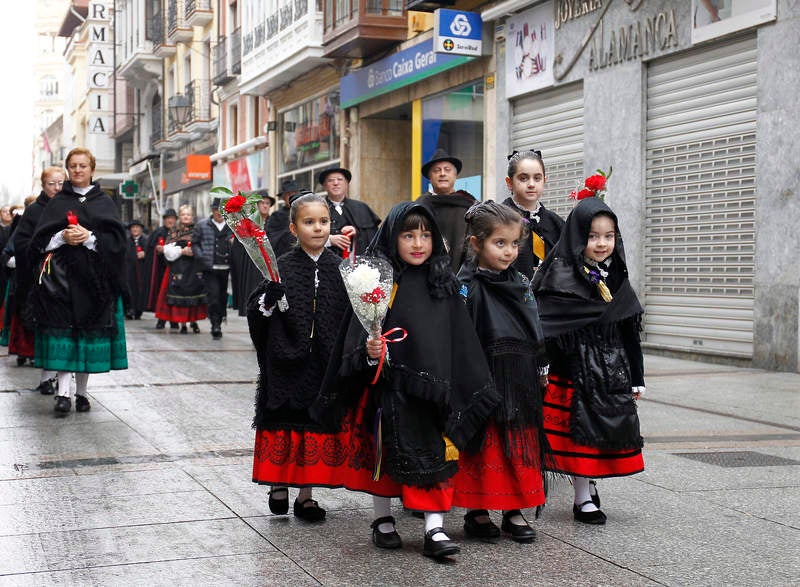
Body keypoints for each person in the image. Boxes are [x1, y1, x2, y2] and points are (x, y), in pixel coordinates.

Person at [315, 202, 498, 559]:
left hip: (435, 393)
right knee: (383, 457)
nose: (418, 243)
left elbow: (459, 341)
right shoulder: (379, 284)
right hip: (389, 390)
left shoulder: (443, 285)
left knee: (435, 455)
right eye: (409, 235)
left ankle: (435, 528)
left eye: (426, 235)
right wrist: (370, 350)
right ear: (392, 238)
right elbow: (355, 339)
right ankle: (382, 520)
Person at [531, 196, 645, 524]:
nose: (601, 243)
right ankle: (580, 497)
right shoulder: (559, 274)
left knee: (595, 438)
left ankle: (587, 494)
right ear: (578, 236)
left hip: (609, 372)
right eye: (593, 236)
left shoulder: (618, 276)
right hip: (569, 371)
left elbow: (628, 329)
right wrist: (543, 367)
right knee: (575, 438)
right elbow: (547, 327)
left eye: (608, 236)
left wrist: (636, 376)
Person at [248, 193, 351, 523]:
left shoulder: (340, 267)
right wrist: (268, 298)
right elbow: (257, 310)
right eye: (309, 222)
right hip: (285, 360)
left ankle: (306, 495)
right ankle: (278, 483)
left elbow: (347, 314)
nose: (318, 228)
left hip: (323, 363)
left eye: (323, 222)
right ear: (294, 228)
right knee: (283, 423)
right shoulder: (281, 267)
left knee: (313, 426)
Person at [453, 200, 549, 543]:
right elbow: (457, 334)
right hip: (482, 375)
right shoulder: (464, 285)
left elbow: (534, 323)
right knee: (483, 444)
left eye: (514, 244)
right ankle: (476, 511)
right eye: (499, 243)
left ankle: (514, 510)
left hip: (519, 374)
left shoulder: (521, 282)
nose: (508, 251)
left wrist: (541, 364)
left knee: (517, 443)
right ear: (476, 243)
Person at [28, 147, 128, 416]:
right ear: (68, 169)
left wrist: (91, 238)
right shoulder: (58, 201)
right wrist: (62, 237)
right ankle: (63, 394)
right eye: (73, 166)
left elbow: (119, 243)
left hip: (95, 283)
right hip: (62, 283)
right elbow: (38, 242)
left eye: (83, 165)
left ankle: (82, 393)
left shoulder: (104, 201)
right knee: (65, 336)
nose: (78, 170)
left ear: (92, 169)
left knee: (86, 337)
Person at [4, 167, 65, 392]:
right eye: (52, 183)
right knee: (45, 329)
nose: (56, 188)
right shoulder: (33, 211)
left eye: (60, 183)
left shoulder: (71, 205)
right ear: (43, 185)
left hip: (66, 279)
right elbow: (20, 243)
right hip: (38, 280)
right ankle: (46, 378)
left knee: (63, 330)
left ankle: (62, 378)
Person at [502, 150, 566, 279]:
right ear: (509, 182)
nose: (531, 184)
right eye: (523, 178)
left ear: (544, 181)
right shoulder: (499, 219)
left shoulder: (556, 222)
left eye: (537, 178)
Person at [416, 148, 477, 272]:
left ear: (455, 175)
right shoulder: (420, 206)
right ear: (430, 177)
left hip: (462, 272)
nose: (442, 173)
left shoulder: (469, 205)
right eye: (437, 170)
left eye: (447, 170)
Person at [154, 204, 207, 334]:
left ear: (192, 216)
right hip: (179, 267)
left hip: (194, 267)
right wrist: (182, 251)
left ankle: (194, 322)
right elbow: (167, 250)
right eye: (183, 215)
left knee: (194, 293)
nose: (186, 217)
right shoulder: (174, 232)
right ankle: (183, 323)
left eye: (188, 215)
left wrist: (196, 252)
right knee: (181, 294)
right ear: (180, 217)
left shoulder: (198, 230)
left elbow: (205, 245)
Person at [317, 166, 380, 257]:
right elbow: (304, 237)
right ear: (324, 186)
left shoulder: (361, 207)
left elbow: (374, 238)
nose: (336, 183)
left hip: (357, 264)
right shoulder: (317, 208)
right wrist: (329, 240)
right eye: (330, 180)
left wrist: (357, 232)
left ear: (347, 184)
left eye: (340, 179)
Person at [230, 189, 275, 317]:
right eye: (262, 203)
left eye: (268, 203)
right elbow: (239, 250)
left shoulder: (274, 222)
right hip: (252, 268)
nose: (266, 205)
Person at [194, 198, 233, 339]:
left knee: (223, 297)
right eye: (217, 209)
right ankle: (215, 324)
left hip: (227, 268)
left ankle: (220, 318)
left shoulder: (232, 226)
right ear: (213, 210)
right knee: (214, 296)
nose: (220, 213)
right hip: (210, 267)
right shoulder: (202, 225)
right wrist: (201, 256)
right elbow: (195, 243)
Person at [145, 208, 179, 330]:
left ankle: (174, 320)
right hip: (160, 269)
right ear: (164, 220)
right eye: (168, 218)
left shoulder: (179, 233)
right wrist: (157, 249)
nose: (170, 220)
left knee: (175, 295)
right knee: (162, 295)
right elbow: (150, 248)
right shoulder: (158, 232)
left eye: (173, 218)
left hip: (176, 269)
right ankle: (161, 320)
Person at [265, 179, 300, 259]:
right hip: (284, 258)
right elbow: (271, 239)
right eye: (288, 194)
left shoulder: (305, 212)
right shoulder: (276, 216)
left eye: (294, 193)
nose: (292, 196)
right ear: (283, 197)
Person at [124, 219, 148, 320]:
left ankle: (139, 309)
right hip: (129, 270)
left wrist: (145, 254)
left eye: (137, 227)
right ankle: (130, 309)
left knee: (140, 289)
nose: (135, 229)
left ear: (141, 229)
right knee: (130, 289)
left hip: (142, 271)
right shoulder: (126, 241)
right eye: (133, 227)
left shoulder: (146, 241)